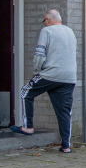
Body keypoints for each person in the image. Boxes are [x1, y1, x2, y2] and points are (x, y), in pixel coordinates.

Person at [11, 9, 78, 153]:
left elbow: (39, 54)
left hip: (51, 74)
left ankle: (27, 127)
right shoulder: (70, 31)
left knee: (25, 92)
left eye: (44, 21)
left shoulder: (47, 31)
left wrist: (36, 71)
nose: (45, 23)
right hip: (69, 77)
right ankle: (66, 146)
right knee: (64, 112)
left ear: (48, 19)